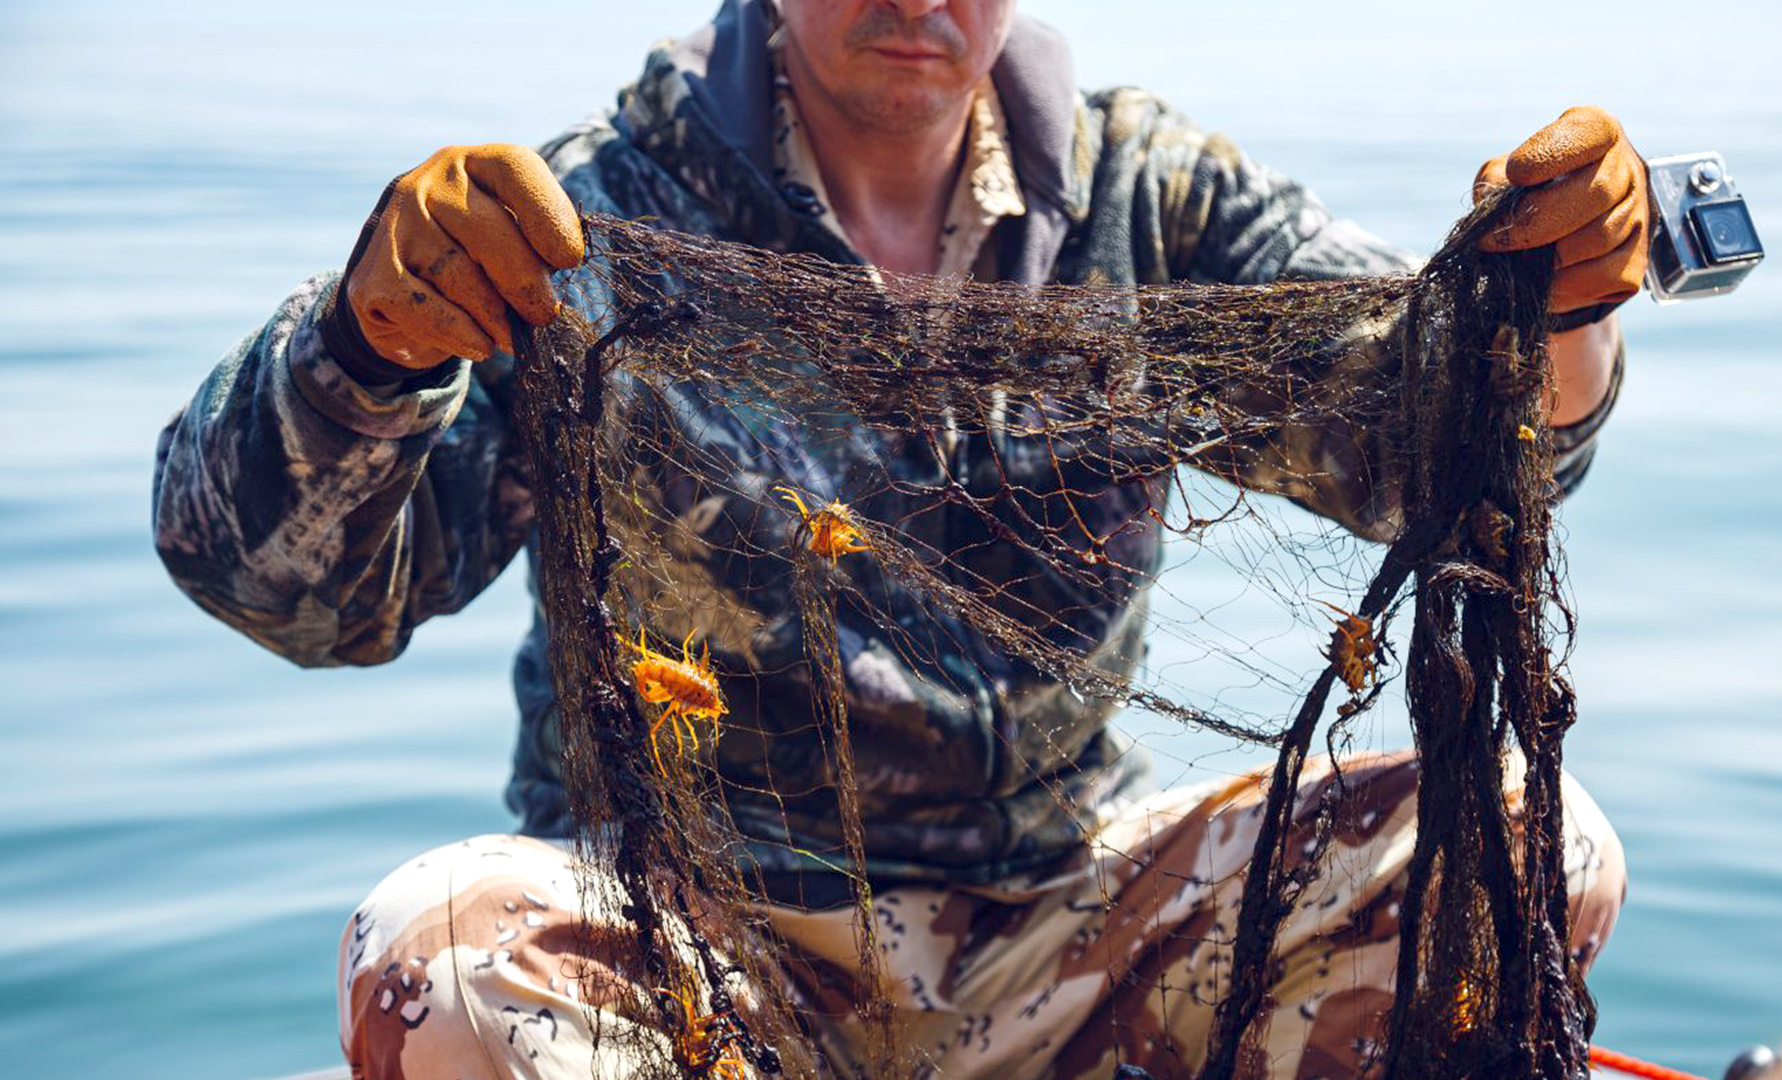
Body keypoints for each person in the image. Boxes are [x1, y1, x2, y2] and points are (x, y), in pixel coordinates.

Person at [152, 1, 1643, 1076]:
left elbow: (1447, 453)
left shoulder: (1150, 199)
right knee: (439, 957)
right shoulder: (583, 221)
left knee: (1530, 841)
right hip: (705, 956)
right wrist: (369, 346)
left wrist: (1564, 310)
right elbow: (296, 595)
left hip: (1069, 919)